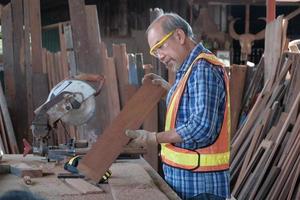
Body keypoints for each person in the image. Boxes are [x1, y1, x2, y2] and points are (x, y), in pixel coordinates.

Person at [125, 13, 230, 200]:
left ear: (179, 36)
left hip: (200, 186)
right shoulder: (189, 68)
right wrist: (168, 89)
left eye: (160, 47)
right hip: (189, 181)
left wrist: (154, 137)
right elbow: (189, 105)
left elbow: (202, 127)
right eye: (155, 52)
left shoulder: (203, 68)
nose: (160, 57)